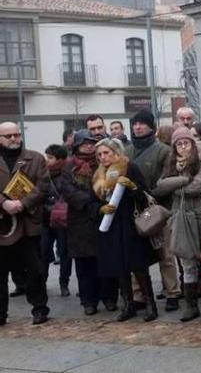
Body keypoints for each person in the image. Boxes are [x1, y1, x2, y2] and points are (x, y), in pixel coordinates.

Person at [153, 127, 201, 323]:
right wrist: (183, 180)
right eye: (179, 144)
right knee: (186, 261)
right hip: (180, 215)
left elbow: (197, 186)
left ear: (193, 143)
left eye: (186, 143)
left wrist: (175, 185)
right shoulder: (171, 163)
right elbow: (160, 186)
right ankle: (191, 306)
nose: (183, 148)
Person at [92, 137, 159, 322]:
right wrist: (100, 209)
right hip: (110, 225)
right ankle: (128, 305)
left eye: (106, 153)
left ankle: (149, 304)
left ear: (116, 152)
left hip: (130, 224)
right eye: (99, 155)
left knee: (138, 266)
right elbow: (93, 200)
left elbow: (146, 196)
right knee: (119, 267)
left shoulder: (130, 167)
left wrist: (132, 188)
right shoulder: (98, 174)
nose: (103, 158)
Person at [56, 130, 117, 316]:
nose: (89, 146)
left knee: (106, 262)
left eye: (92, 143)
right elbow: (68, 190)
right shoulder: (69, 166)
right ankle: (88, 301)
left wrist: (102, 203)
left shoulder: (104, 162)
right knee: (84, 266)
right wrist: (91, 203)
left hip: (103, 219)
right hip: (80, 221)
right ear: (77, 146)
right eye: (85, 143)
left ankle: (109, 298)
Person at [124, 110, 179, 312]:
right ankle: (139, 294)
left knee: (164, 253)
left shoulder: (163, 151)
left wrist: (148, 194)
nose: (137, 127)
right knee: (136, 255)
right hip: (134, 210)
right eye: (135, 123)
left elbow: (167, 178)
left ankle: (172, 292)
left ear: (151, 126)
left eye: (141, 123)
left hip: (158, 208)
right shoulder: (126, 151)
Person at [0, 122, 49, 325]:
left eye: (16, 134)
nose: (14, 139)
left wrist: (22, 203)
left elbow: (43, 185)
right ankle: (1, 313)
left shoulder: (35, 158)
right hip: (3, 225)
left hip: (29, 223)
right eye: (8, 136)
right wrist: (4, 203)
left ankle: (39, 309)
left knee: (35, 270)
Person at [41, 144, 72, 297]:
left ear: (60, 159)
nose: (47, 160)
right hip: (46, 220)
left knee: (64, 252)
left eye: (50, 158)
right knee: (43, 250)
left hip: (62, 220)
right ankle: (42, 281)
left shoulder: (68, 173)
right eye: (47, 157)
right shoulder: (43, 173)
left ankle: (63, 283)